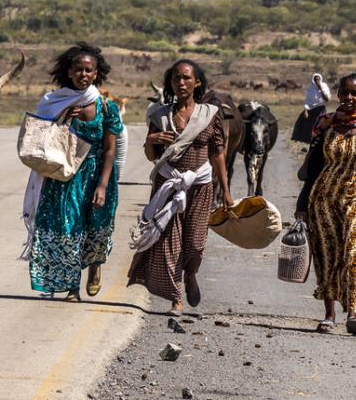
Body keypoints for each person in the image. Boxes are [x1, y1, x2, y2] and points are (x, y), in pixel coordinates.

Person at [128, 59, 233, 316]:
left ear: (197, 82)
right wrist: (151, 139)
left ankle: (191, 274)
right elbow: (152, 156)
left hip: (200, 186)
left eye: (186, 78)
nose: (181, 82)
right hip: (169, 184)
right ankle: (176, 298)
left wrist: (226, 191)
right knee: (170, 244)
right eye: (176, 78)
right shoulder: (159, 116)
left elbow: (218, 153)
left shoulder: (209, 115)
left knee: (195, 244)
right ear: (170, 83)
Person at [22, 42, 125, 301]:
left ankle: (95, 268)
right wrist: (64, 116)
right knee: (68, 229)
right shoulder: (54, 102)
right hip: (65, 177)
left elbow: (110, 150)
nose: (83, 74)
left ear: (96, 73)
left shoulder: (106, 107)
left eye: (89, 70)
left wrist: (102, 185)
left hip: (98, 176)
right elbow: (41, 134)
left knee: (96, 227)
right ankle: (72, 288)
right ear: (69, 72)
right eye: (78, 69)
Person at [295, 73, 356, 335]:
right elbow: (312, 167)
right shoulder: (325, 123)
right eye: (344, 92)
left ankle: (353, 311)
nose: (349, 98)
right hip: (323, 199)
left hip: (354, 198)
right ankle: (329, 315)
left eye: (354, 93)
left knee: (353, 254)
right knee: (327, 255)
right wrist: (302, 204)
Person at [292, 73, 331, 144]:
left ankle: (319, 141)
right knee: (302, 122)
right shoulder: (311, 88)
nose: (317, 81)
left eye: (318, 79)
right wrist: (305, 110)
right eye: (316, 79)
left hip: (320, 109)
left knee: (318, 125)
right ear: (313, 80)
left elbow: (327, 99)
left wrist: (320, 89)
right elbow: (308, 100)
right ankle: (305, 140)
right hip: (311, 109)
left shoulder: (324, 86)